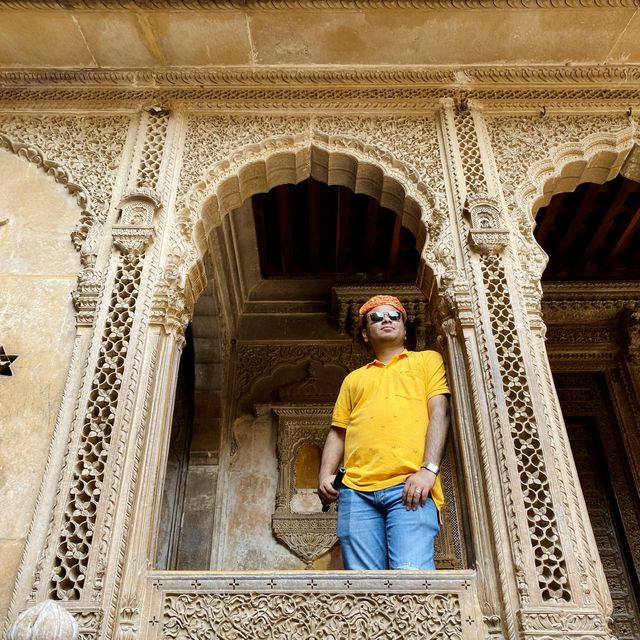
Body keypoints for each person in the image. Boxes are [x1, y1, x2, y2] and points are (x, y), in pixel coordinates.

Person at [318, 295, 450, 570]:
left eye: (394, 315)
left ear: (404, 326)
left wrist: (429, 470)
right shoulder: (354, 379)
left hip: (409, 486)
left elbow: (439, 412)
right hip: (356, 491)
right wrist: (324, 475)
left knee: (411, 578)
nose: (386, 320)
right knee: (364, 588)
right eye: (376, 318)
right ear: (366, 335)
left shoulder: (426, 361)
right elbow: (338, 432)